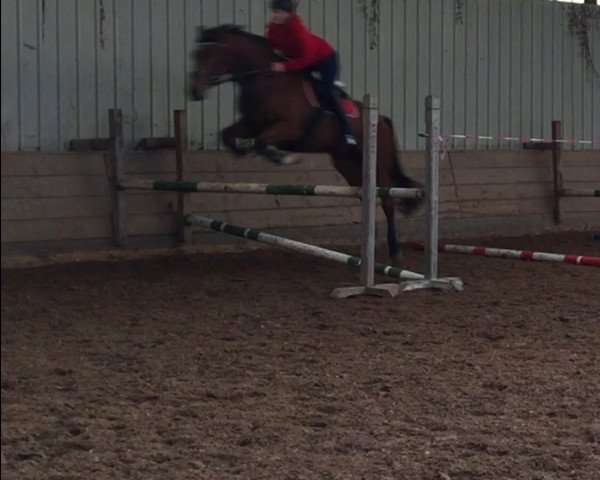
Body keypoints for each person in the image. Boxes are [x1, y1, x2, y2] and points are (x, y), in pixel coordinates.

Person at [266, 0, 357, 146]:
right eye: (274, 12)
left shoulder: (298, 30)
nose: (275, 15)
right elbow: (270, 48)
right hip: (302, 60)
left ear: (289, 15)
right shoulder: (272, 28)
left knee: (327, 90)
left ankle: (347, 130)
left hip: (325, 59)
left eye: (279, 12)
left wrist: (284, 66)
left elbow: (307, 58)